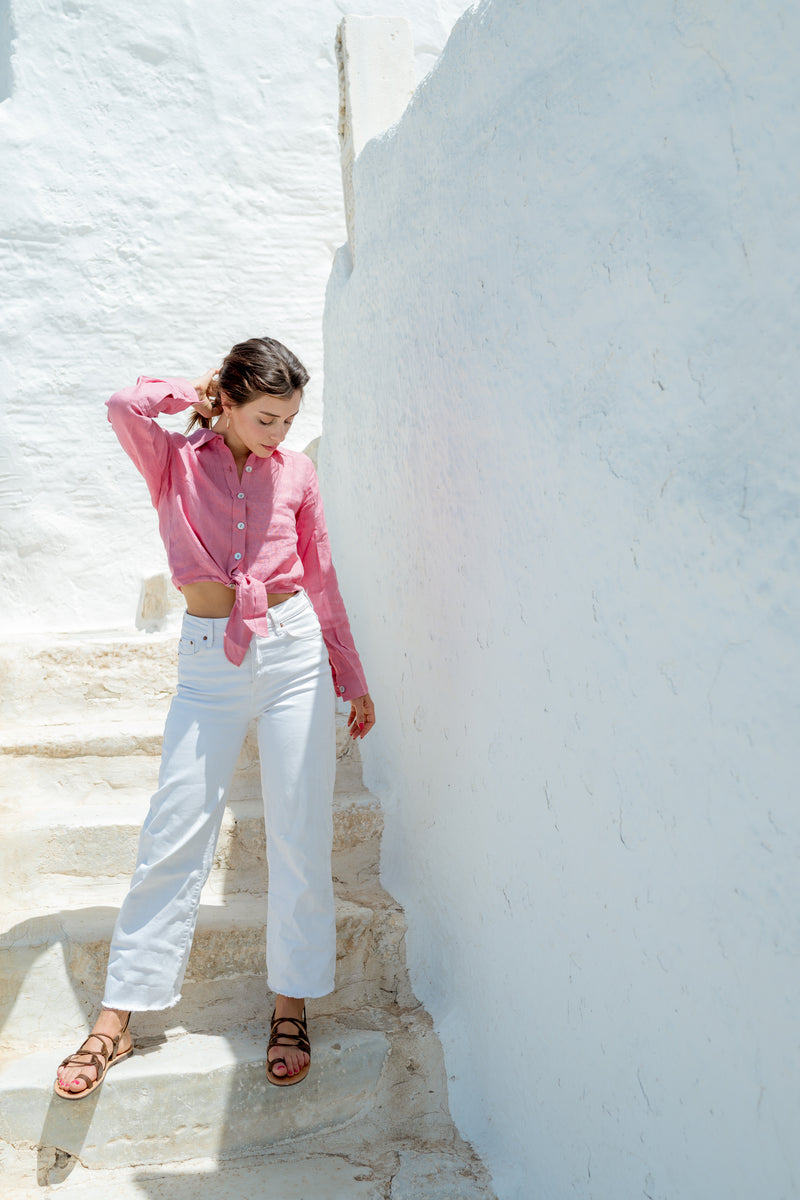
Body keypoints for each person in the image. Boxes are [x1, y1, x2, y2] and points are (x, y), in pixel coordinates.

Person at [54, 336, 374, 1097]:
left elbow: (320, 572)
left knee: (300, 828)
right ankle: (116, 1020)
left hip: (294, 652)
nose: (280, 435)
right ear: (226, 403)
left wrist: (350, 673)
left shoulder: (296, 472)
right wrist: (188, 395)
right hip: (210, 659)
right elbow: (122, 405)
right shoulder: (174, 461)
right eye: (266, 418)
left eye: (290, 420)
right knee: (175, 827)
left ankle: (290, 1002)